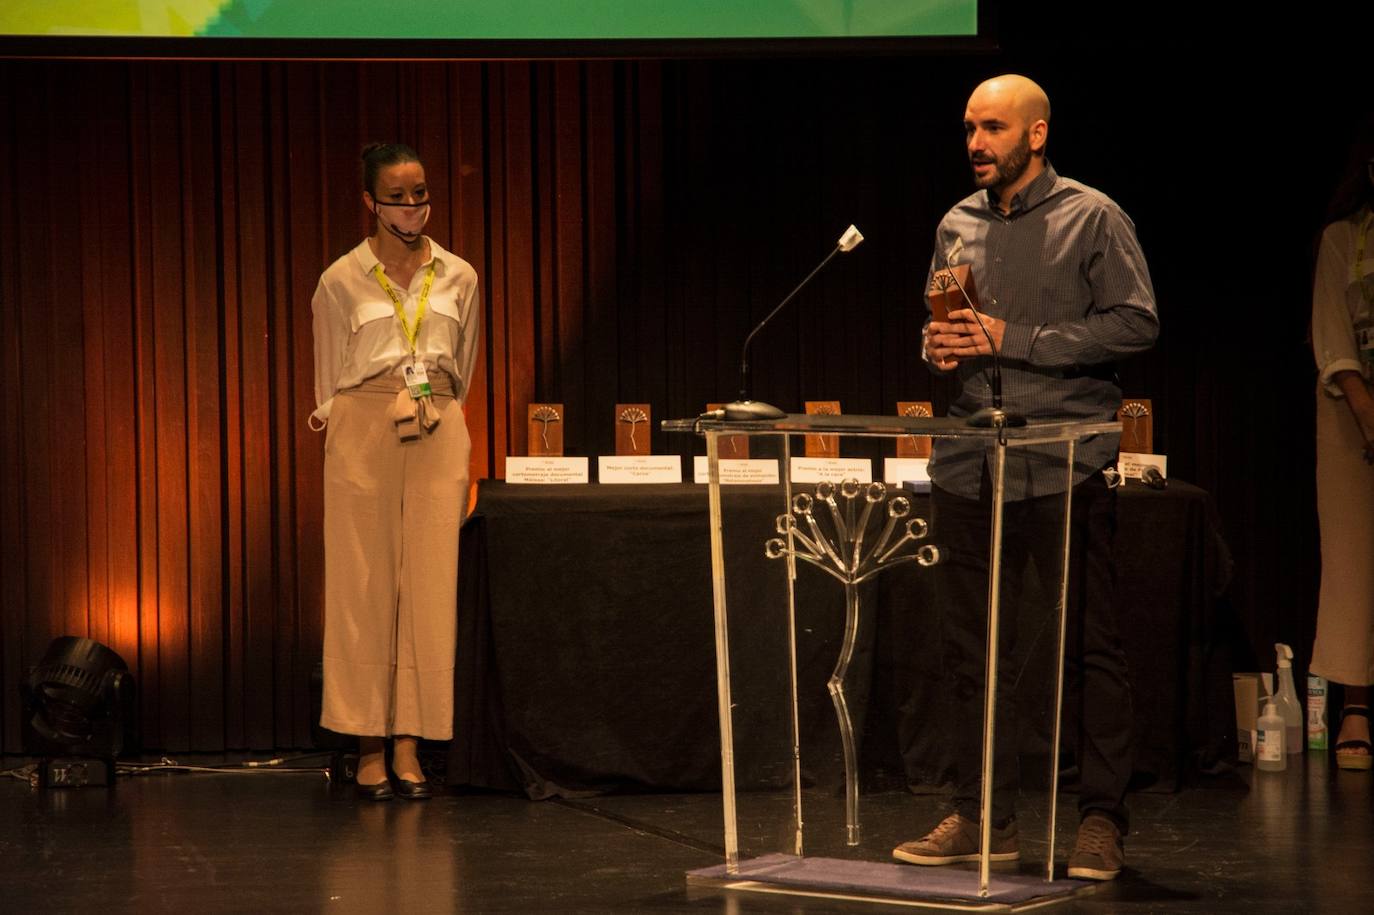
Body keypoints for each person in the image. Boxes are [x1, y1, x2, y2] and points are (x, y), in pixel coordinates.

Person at [891, 75, 1159, 879]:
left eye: (994, 128)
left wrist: (1020, 337)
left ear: (1036, 135)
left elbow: (1137, 321)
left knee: (1090, 649)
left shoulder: (1093, 215)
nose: (976, 143)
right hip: (972, 464)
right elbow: (945, 325)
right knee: (972, 653)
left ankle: (1102, 820)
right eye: (969, 128)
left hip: (1064, 462)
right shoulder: (955, 224)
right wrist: (935, 350)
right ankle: (983, 817)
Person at [310, 142, 480, 800]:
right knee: (363, 585)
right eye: (398, 196)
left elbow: (463, 361)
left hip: (437, 423)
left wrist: (437, 408)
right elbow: (328, 376)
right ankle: (367, 743)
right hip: (363, 423)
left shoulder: (460, 274)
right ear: (369, 202)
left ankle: (412, 742)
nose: (412, 207)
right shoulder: (339, 279)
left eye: (420, 194)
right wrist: (361, 418)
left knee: (429, 585)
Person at [1309, 135, 1374, 772]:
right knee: (1356, 556)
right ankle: (1356, 702)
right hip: (1353, 418)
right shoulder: (1343, 238)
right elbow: (1332, 334)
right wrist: (1365, 411)